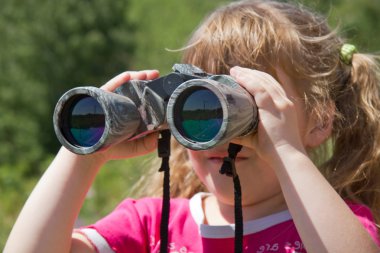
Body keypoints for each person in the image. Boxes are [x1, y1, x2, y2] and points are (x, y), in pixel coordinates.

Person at [4, 0, 380, 252]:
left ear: (318, 120)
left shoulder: (332, 225)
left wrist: (284, 150)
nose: (216, 128)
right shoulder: (152, 225)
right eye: (197, 103)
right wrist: (82, 154)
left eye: (241, 103)